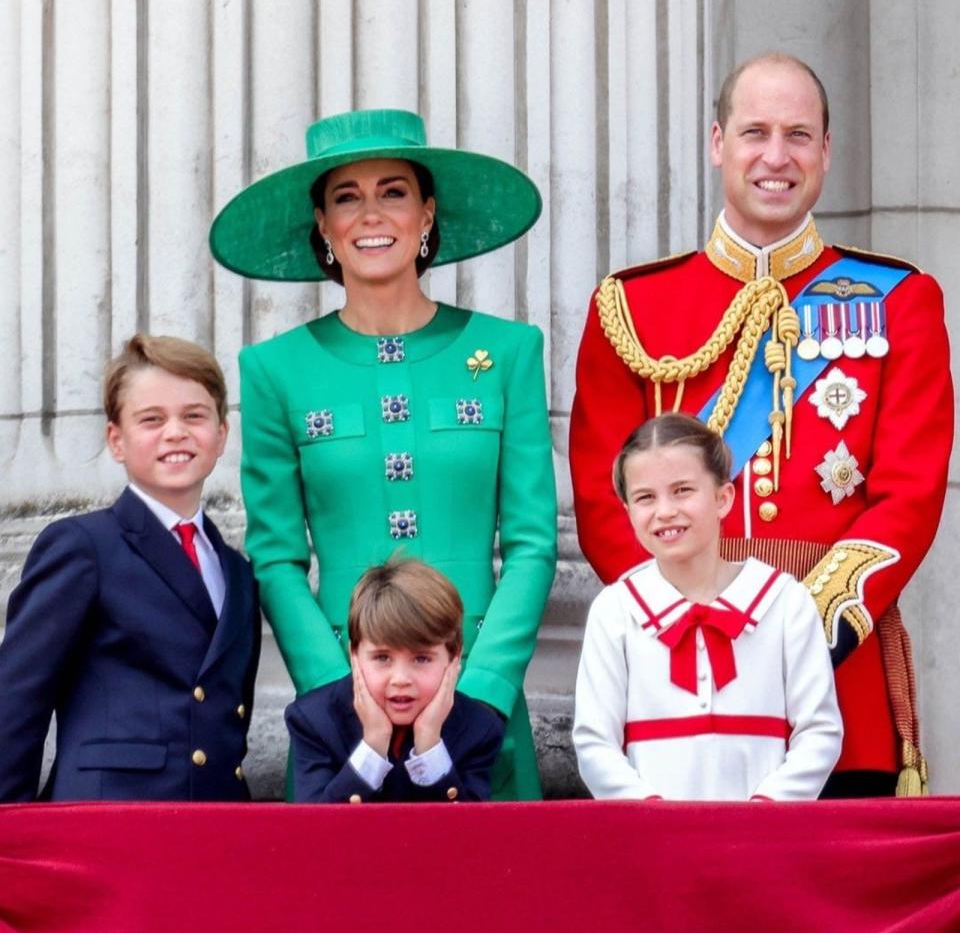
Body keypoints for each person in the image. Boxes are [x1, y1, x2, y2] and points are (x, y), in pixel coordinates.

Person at [569, 53, 953, 797]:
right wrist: (691, 626)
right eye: (754, 133)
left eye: (799, 135)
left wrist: (793, 633)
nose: (776, 157)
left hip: (839, 684)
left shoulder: (899, 300)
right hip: (673, 685)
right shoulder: (630, 308)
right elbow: (602, 498)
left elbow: (909, 498)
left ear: (826, 151)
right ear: (718, 143)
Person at [209, 109, 557, 800]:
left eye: (393, 191)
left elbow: (532, 542)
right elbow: (276, 554)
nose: (372, 213)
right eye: (347, 196)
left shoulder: (510, 351)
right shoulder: (274, 368)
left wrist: (483, 688)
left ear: (427, 212)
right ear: (323, 225)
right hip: (344, 713)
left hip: (479, 701)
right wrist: (337, 688)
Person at [0, 335, 261, 802]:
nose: (175, 432)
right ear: (116, 441)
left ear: (222, 435)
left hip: (216, 822)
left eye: (194, 416)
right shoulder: (82, 546)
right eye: (152, 420)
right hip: (104, 819)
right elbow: (16, 700)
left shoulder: (237, 572)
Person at [573, 414, 842, 801]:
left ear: (723, 498)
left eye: (682, 490)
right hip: (655, 844)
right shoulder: (615, 611)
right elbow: (595, 743)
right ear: (628, 510)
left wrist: (767, 810)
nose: (665, 511)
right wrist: (651, 815)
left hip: (765, 840)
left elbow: (819, 731)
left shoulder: (785, 602)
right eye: (645, 497)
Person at [286, 557, 504, 803]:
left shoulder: (479, 728)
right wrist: (373, 745)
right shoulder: (315, 721)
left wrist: (430, 745)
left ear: (453, 658)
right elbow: (314, 832)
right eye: (382, 658)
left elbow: (468, 835)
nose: (401, 679)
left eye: (421, 659)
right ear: (355, 655)